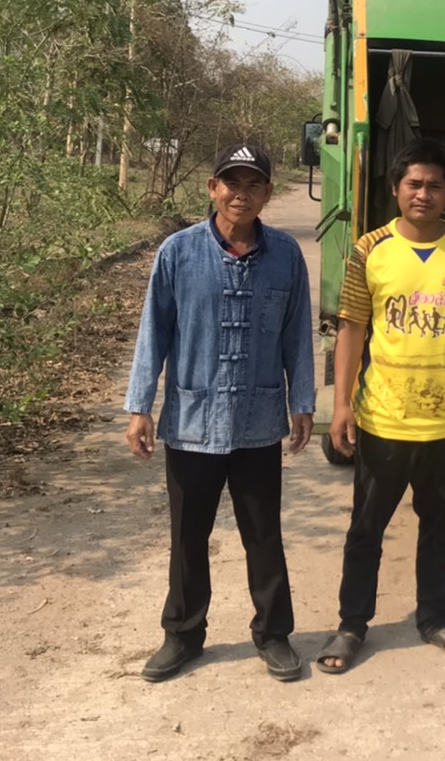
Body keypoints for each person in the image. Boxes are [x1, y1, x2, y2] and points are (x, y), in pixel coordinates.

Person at [125, 143, 315, 684]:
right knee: (188, 535)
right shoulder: (178, 252)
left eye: (254, 185)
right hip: (192, 422)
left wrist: (301, 401)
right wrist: (139, 406)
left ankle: (273, 633)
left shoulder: (284, 255)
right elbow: (154, 331)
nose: (241, 194)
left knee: (263, 533)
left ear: (268, 194)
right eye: (232, 183)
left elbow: (297, 334)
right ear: (213, 188)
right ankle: (183, 634)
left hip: (257, 422)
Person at [317, 138, 445, 673]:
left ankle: (435, 618)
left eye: (434, 185)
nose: (423, 193)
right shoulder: (370, 249)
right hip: (384, 419)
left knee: (439, 528)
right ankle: (352, 625)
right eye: (413, 183)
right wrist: (342, 405)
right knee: (366, 530)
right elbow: (352, 328)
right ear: (395, 188)